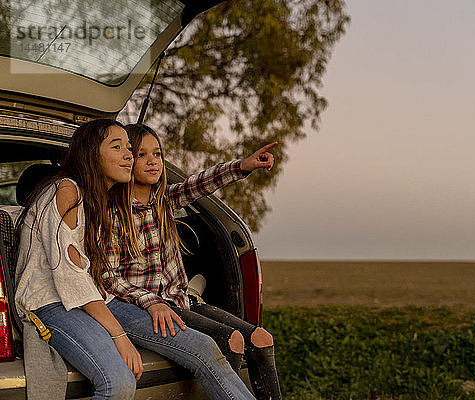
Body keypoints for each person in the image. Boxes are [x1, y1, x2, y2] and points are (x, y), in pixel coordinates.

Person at [14, 119, 256, 400]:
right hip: (53, 302)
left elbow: (193, 187)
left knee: (202, 346)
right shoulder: (67, 191)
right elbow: (72, 277)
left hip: (97, 299)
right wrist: (119, 336)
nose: (129, 155)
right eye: (118, 147)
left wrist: (240, 167)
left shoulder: (101, 200)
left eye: (129, 148)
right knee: (117, 383)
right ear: (92, 153)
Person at [106, 123, 282, 400]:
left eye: (158, 154)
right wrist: (149, 301)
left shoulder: (164, 201)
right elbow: (108, 277)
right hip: (149, 306)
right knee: (232, 341)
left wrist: (243, 166)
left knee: (262, 339)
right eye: (141, 155)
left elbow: (202, 182)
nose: (153, 160)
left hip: (183, 300)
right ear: (127, 161)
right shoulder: (114, 215)